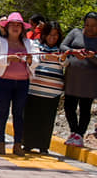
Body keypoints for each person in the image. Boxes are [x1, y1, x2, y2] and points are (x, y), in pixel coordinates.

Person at [0, 12, 36, 155]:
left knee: (18, 114)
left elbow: (36, 60)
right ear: (7, 27)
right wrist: (8, 59)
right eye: (12, 25)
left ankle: (17, 144)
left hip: (22, 82)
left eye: (18, 25)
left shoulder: (29, 43)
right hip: (4, 81)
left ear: (22, 28)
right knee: (2, 112)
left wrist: (29, 60)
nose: (15, 28)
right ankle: (1, 143)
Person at [61, 12, 97, 147]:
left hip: (90, 81)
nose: (89, 28)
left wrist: (91, 56)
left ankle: (79, 135)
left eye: (93, 25)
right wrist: (74, 52)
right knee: (69, 106)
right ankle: (73, 132)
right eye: (87, 25)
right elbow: (63, 46)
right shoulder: (75, 33)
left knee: (85, 108)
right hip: (72, 79)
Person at [23, 21, 67, 154]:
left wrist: (62, 58)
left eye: (55, 35)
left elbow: (66, 64)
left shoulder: (62, 49)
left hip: (52, 91)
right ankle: (28, 144)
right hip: (34, 88)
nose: (52, 38)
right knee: (31, 117)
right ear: (44, 34)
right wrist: (47, 56)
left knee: (47, 120)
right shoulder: (36, 45)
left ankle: (43, 146)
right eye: (50, 35)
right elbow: (32, 59)